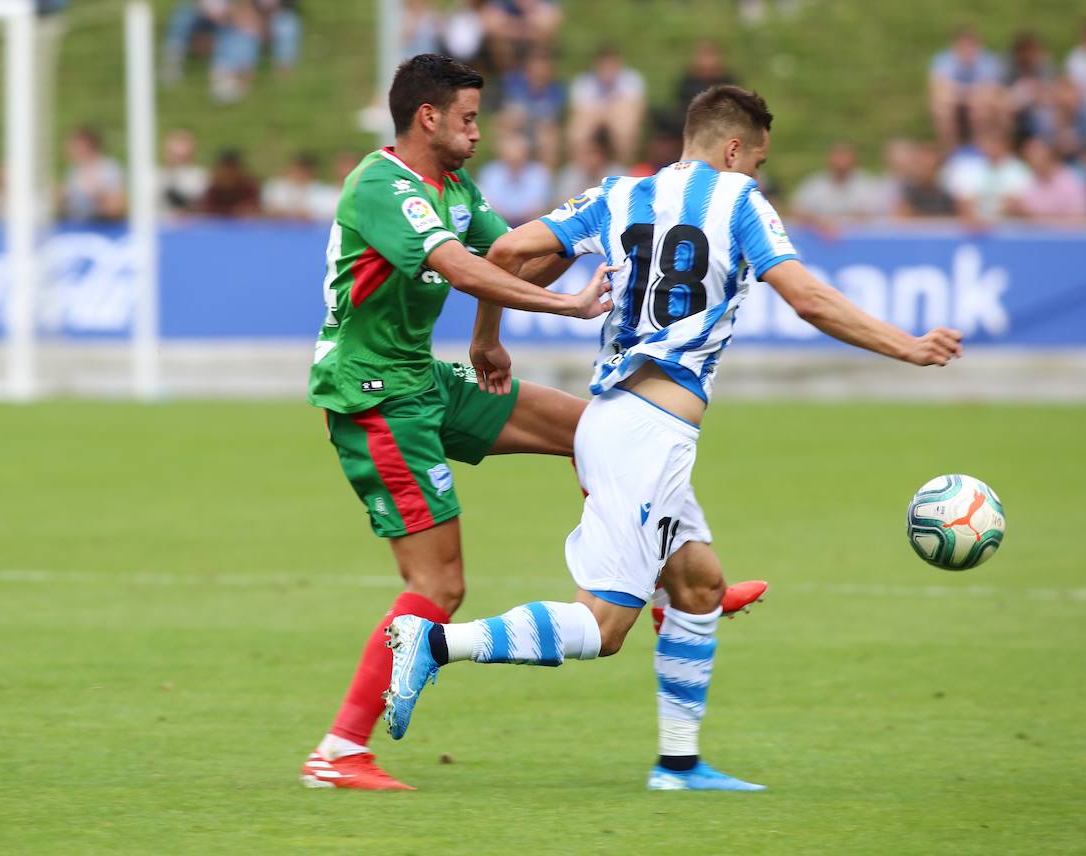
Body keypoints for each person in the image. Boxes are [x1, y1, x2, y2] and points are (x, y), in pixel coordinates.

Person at [382, 84, 963, 790]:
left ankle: (679, 764)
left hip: (615, 422)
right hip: (645, 435)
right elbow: (807, 298)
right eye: (757, 162)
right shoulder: (740, 203)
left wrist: (487, 340)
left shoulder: (620, 195)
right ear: (732, 149)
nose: (757, 177)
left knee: (698, 586)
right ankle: (436, 643)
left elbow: (505, 250)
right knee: (601, 628)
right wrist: (906, 347)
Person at [300, 54, 766, 792]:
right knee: (440, 584)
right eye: (467, 118)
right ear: (428, 118)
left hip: (421, 377)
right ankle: (337, 752)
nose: (478, 133)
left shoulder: (452, 186)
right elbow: (462, 268)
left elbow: (512, 256)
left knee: (598, 432)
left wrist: (574, 247)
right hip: (374, 397)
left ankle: (670, 575)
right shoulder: (381, 186)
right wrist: (568, 305)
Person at [567, 45, 646, 166]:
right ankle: (578, 169)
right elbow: (579, 112)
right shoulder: (584, 82)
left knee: (625, 126)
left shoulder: (631, 80)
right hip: (593, 120)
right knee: (578, 130)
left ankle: (625, 168)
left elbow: (638, 111)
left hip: (619, 121)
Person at [928, 26, 1004, 150]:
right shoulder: (943, 60)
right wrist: (969, 94)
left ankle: (981, 150)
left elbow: (991, 90)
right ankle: (950, 152)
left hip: (978, 103)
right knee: (941, 109)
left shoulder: (988, 61)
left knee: (981, 108)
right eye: (962, 46)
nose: (966, 50)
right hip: (956, 102)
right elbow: (938, 89)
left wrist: (962, 93)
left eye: (970, 45)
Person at [942, 125, 1032, 222]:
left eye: (995, 142)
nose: (991, 146)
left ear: (1005, 144)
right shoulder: (969, 167)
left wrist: (988, 220)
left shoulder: (1019, 170)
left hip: (1008, 227)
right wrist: (975, 219)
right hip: (974, 227)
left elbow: (1015, 202)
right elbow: (963, 200)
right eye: (987, 142)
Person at [788, 141, 883, 228]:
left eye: (845, 155)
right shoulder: (815, 183)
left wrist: (839, 223)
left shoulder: (866, 184)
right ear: (829, 158)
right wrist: (819, 221)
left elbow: (877, 213)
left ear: (854, 159)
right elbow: (795, 210)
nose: (841, 160)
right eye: (837, 155)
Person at [499, 51, 564, 169]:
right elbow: (510, 115)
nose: (539, 74)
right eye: (536, 70)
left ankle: (546, 180)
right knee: (508, 129)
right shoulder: (516, 88)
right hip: (521, 131)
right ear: (528, 71)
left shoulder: (556, 91)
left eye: (543, 70)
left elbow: (553, 121)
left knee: (548, 138)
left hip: (541, 133)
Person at [476, 132, 551, 224]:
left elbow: (538, 205)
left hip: (529, 223)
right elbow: (488, 202)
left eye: (518, 150)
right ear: (501, 153)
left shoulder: (539, 173)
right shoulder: (490, 172)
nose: (514, 155)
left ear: (526, 152)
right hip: (498, 222)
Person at [1008, 137, 1086, 221]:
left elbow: (1079, 220)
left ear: (1049, 156)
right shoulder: (1027, 181)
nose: (1032, 160)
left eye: (1036, 154)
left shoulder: (1069, 182)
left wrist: (1033, 217)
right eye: (1029, 157)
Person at [60, 126, 125, 223]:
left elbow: (117, 207)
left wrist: (96, 197)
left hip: (104, 226)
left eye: (75, 146)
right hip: (77, 224)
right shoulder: (74, 171)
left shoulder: (109, 169)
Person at [261, 152, 338, 220]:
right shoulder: (276, 186)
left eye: (305, 170)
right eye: (299, 169)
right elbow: (267, 210)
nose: (301, 173)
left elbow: (325, 214)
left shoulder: (321, 190)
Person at [895, 141, 956, 218]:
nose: (922, 169)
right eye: (919, 163)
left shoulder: (950, 191)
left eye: (929, 166)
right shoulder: (907, 190)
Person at [160, 129, 209, 217]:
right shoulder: (151, 178)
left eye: (182, 157)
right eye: (173, 154)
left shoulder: (202, 178)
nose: (176, 160)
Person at [199, 149, 261, 217]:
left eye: (231, 169)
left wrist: (249, 210)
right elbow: (204, 211)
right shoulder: (213, 188)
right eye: (225, 169)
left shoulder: (248, 186)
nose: (228, 173)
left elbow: (257, 209)